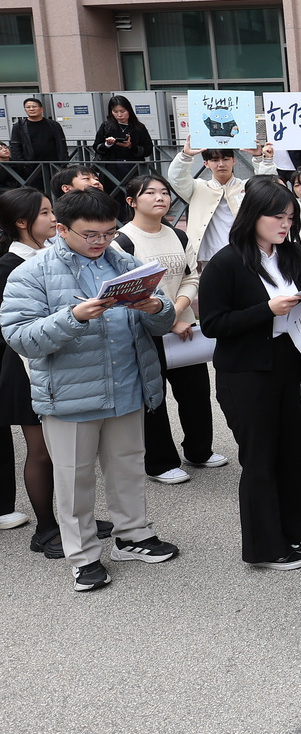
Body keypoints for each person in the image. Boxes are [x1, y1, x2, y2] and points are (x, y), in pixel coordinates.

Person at [0, 189, 179, 592]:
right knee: (74, 479)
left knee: (129, 467)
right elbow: (20, 337)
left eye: (109, 232)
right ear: (61, 229)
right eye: (90, 235)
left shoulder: (126, 262)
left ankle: (133, 535)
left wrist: (157, 309)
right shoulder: (32, 273)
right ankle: (82, 556)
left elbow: (162, 318)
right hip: (70, 396)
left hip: (127, 385)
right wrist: (73, 317)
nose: (101, 242)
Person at [199, 179, 301, 570]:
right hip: (248, 371)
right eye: (276, 217)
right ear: (253, 215)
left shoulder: (293, 256)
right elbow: (214, 323)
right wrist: (267, 310)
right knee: (261, 457)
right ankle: (265, 547)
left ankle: (295, 531)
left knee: (295, 450)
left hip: (292, 362)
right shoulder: (227, 262)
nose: (284, 225)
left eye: (289, 217)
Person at [117, 174, 227, 485]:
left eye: (164, 192)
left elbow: (191, 278)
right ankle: (160, 462)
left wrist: (175, 312)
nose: (160, 197)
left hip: (182, 327)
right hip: (144, 332)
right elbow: (128, 292)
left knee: (196, 393)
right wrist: (166, 319)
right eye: (149, 192)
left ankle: (199, 450)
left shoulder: (178, 236)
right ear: (132, 201)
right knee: (153, 397)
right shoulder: (123, 241)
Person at [0, 188, 57, 547]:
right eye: (46, 213)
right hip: (24, 367)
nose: (54, 218)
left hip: (58, 361)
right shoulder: (8, 265)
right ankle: (46, 528)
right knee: (41, 451)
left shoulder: (53, 254)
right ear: (22, 223)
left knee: (65, 449)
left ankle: (70, 517)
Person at [166, 137, 278, 265]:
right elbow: (176, 179)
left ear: (233, 161)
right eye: (214, 160)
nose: (221, 164)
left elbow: (267, 185)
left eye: (225, 159)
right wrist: (185, 156)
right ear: (206, 164)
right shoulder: (197, 188)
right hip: (211, 256)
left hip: (247, 253)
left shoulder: (246, 187)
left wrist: (261, 159)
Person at [93, 95, 154, 186]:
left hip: (133, 167)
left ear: (129, 110)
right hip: (111, 168)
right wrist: (107, 144)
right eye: (115, 111)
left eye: (122, 111)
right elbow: (96, 147)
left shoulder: (139, 127)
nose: (119, 115)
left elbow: (148, 149)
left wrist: (131, 146)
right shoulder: (106, 126)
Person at [9, 98, 67, 188]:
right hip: (31, 168)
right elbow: (15, 147)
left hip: (54, 165)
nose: (31, 109)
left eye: (34, 106)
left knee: (57, 189)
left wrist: (64, 162)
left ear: (41, 109)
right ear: (25, 110)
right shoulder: (19, 126)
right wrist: (21, 165)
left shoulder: (53, 124)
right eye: (28, 107)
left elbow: (62, 144)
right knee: (36, 193)